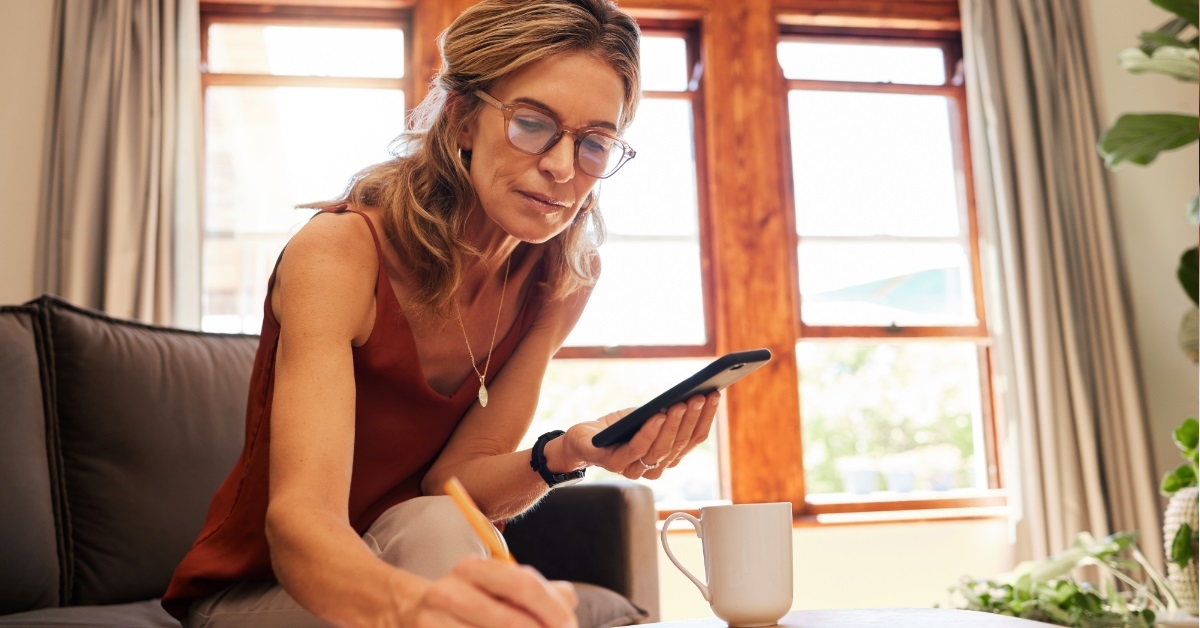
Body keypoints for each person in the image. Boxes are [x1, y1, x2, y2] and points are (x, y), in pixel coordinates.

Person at [163, 0, 721, 626]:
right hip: (264, 588)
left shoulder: (562, 276)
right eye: (532, 123)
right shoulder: (340, 253)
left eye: (595, 143)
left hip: (413, 551)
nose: (564, 168)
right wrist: (419, 609)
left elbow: (452, 485)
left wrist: (568, 451)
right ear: (460, 117)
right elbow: (300, 522)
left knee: (436, 520)